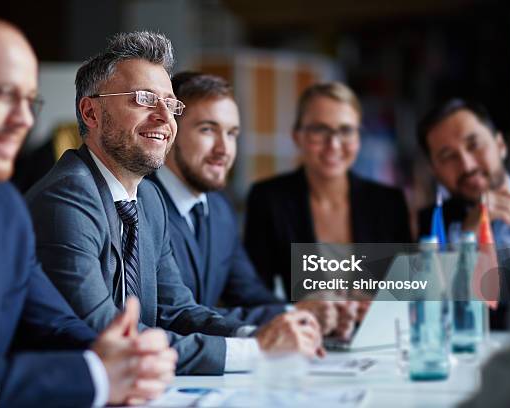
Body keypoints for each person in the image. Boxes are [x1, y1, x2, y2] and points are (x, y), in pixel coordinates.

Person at [25, 31, 324, 376]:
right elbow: (108, 336)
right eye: (143, 99)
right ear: (90, 112)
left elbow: (177, 310)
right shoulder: (68, 196)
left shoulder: (148, 199)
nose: (164, 118)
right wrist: (255, 353)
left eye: (170, 104)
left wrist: (257, 336)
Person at [0, 16, 176, 407]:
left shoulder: (1, 206)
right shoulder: (62, 194)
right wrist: (92, 377)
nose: (24, 120)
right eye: (2, 95)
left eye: (29, 101)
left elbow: (52, 322)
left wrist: (123, 358)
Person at [148, 71, 353, 335]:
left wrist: (306, 315)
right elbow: (175, 315)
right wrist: (279, 324)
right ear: (170, 130)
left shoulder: (220, 209)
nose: (224, 149)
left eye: (232, 134)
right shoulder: (141, 202)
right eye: (208, 129)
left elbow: (249, 293)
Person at [244, 82, 412, 296]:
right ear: (297, 136)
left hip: (376, 328)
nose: (333, 144)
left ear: (359, 138)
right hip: (303, 328)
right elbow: (253, 291)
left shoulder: (389, 203)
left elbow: (406, 291)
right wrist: (295, 312)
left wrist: (376, 303)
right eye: (319, 130)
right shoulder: (268, 198)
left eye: (346, 130)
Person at [416, 99, 510, 327]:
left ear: (501, 145)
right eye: (447, 156)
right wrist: (467, 240)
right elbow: (432, 315)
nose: (466, 165)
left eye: (474, 145)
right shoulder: (431, 223)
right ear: (435, 171)